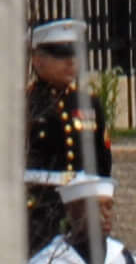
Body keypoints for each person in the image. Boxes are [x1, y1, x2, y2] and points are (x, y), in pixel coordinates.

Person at [24, 20, 111, 249]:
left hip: (81, 214)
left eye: (74, 55)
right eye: (61, 56)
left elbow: (102, 163)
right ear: (37, 59)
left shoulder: (89, 104)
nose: (71, 62)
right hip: (40, 214)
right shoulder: (25, 106)